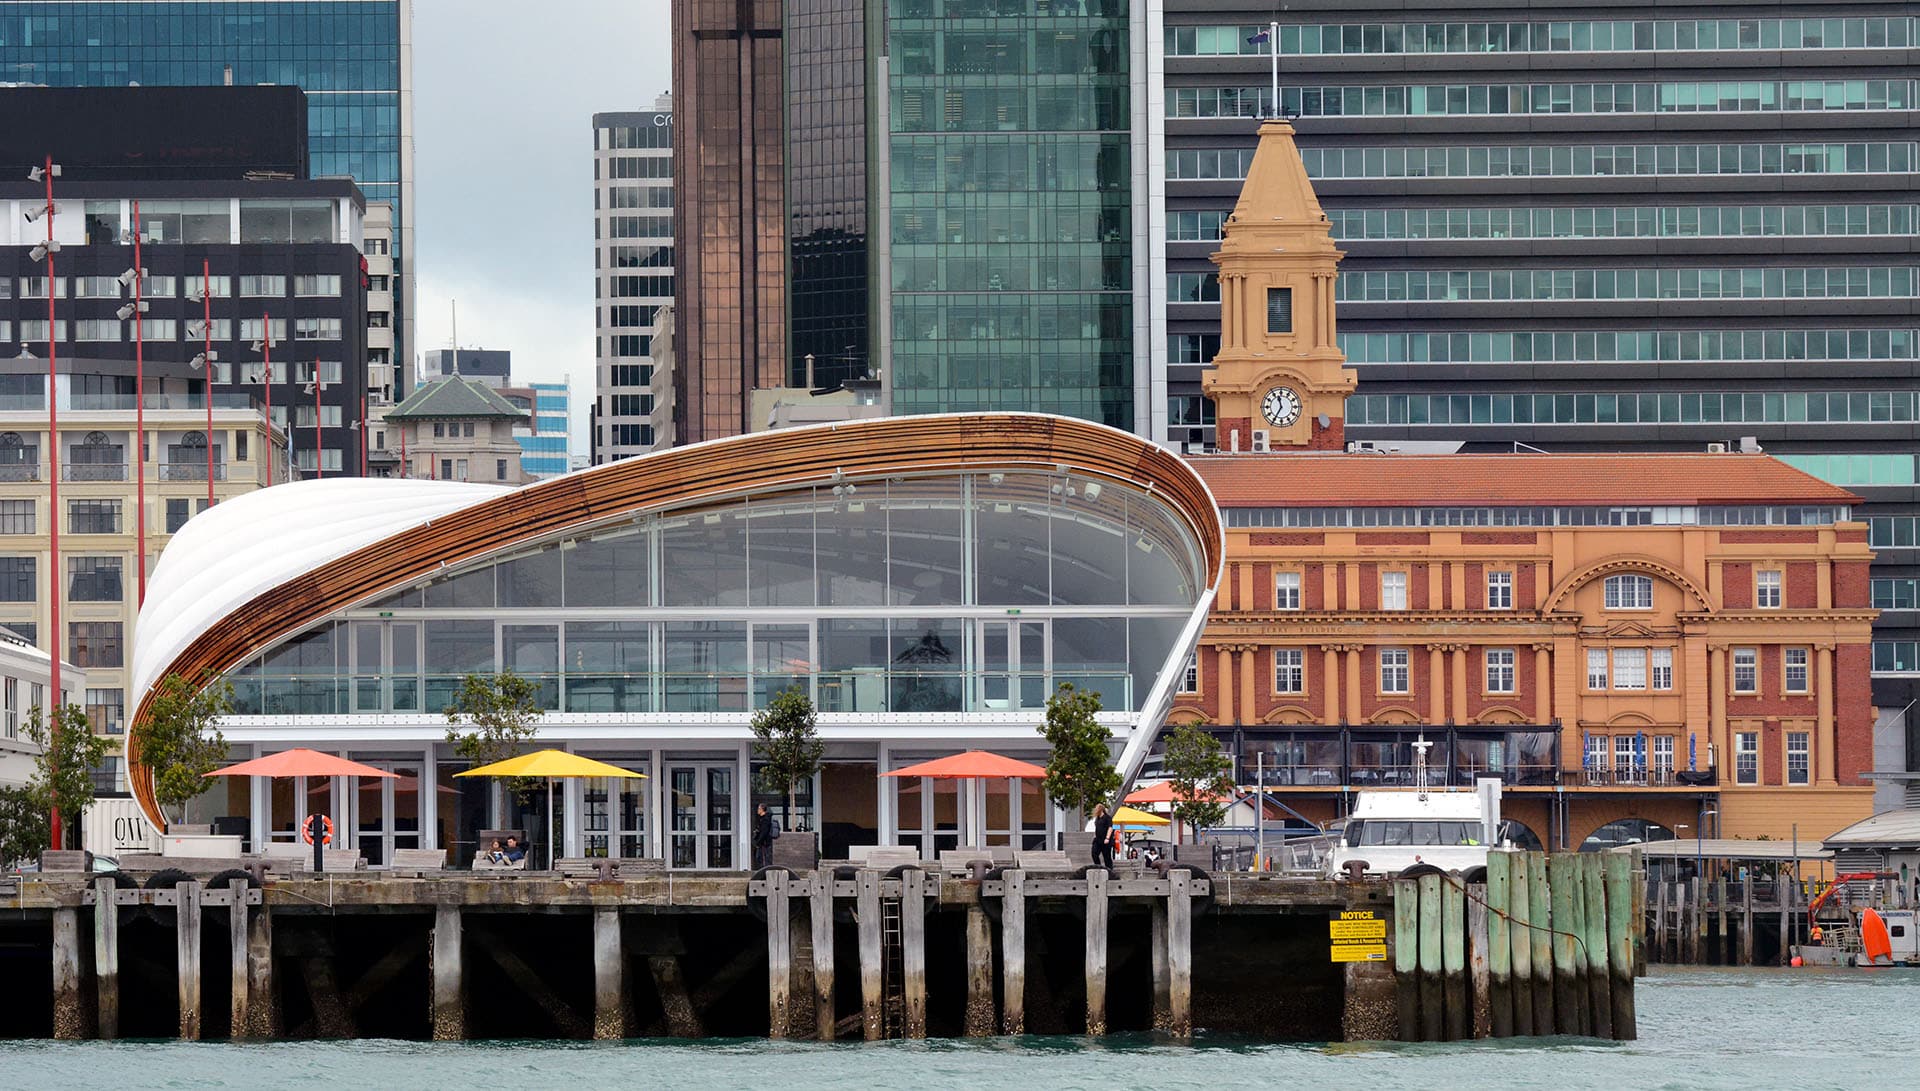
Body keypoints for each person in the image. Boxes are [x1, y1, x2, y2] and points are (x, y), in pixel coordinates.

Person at [752, 803, 778, 870]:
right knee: (760, 857)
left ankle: (766, 871)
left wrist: (758, 842)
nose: (757, 810)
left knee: (764, 858)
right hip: (763, 842)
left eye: (758, 808)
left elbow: (764, 832)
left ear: (762, 809)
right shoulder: (761, 819)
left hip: (764, 842)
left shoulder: (765, 819)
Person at [1090, 803, 1115, 871]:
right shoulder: (1097, 819)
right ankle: (1098, 867)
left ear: (1100, 810)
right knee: (1094, 853)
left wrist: (1107, 838)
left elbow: (1110, 828)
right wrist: (1095, 836)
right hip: (1098, 840)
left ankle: (1110, 870)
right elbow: (1097, 828)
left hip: (1105, 840)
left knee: (1107, 857)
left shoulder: (1107, 818)